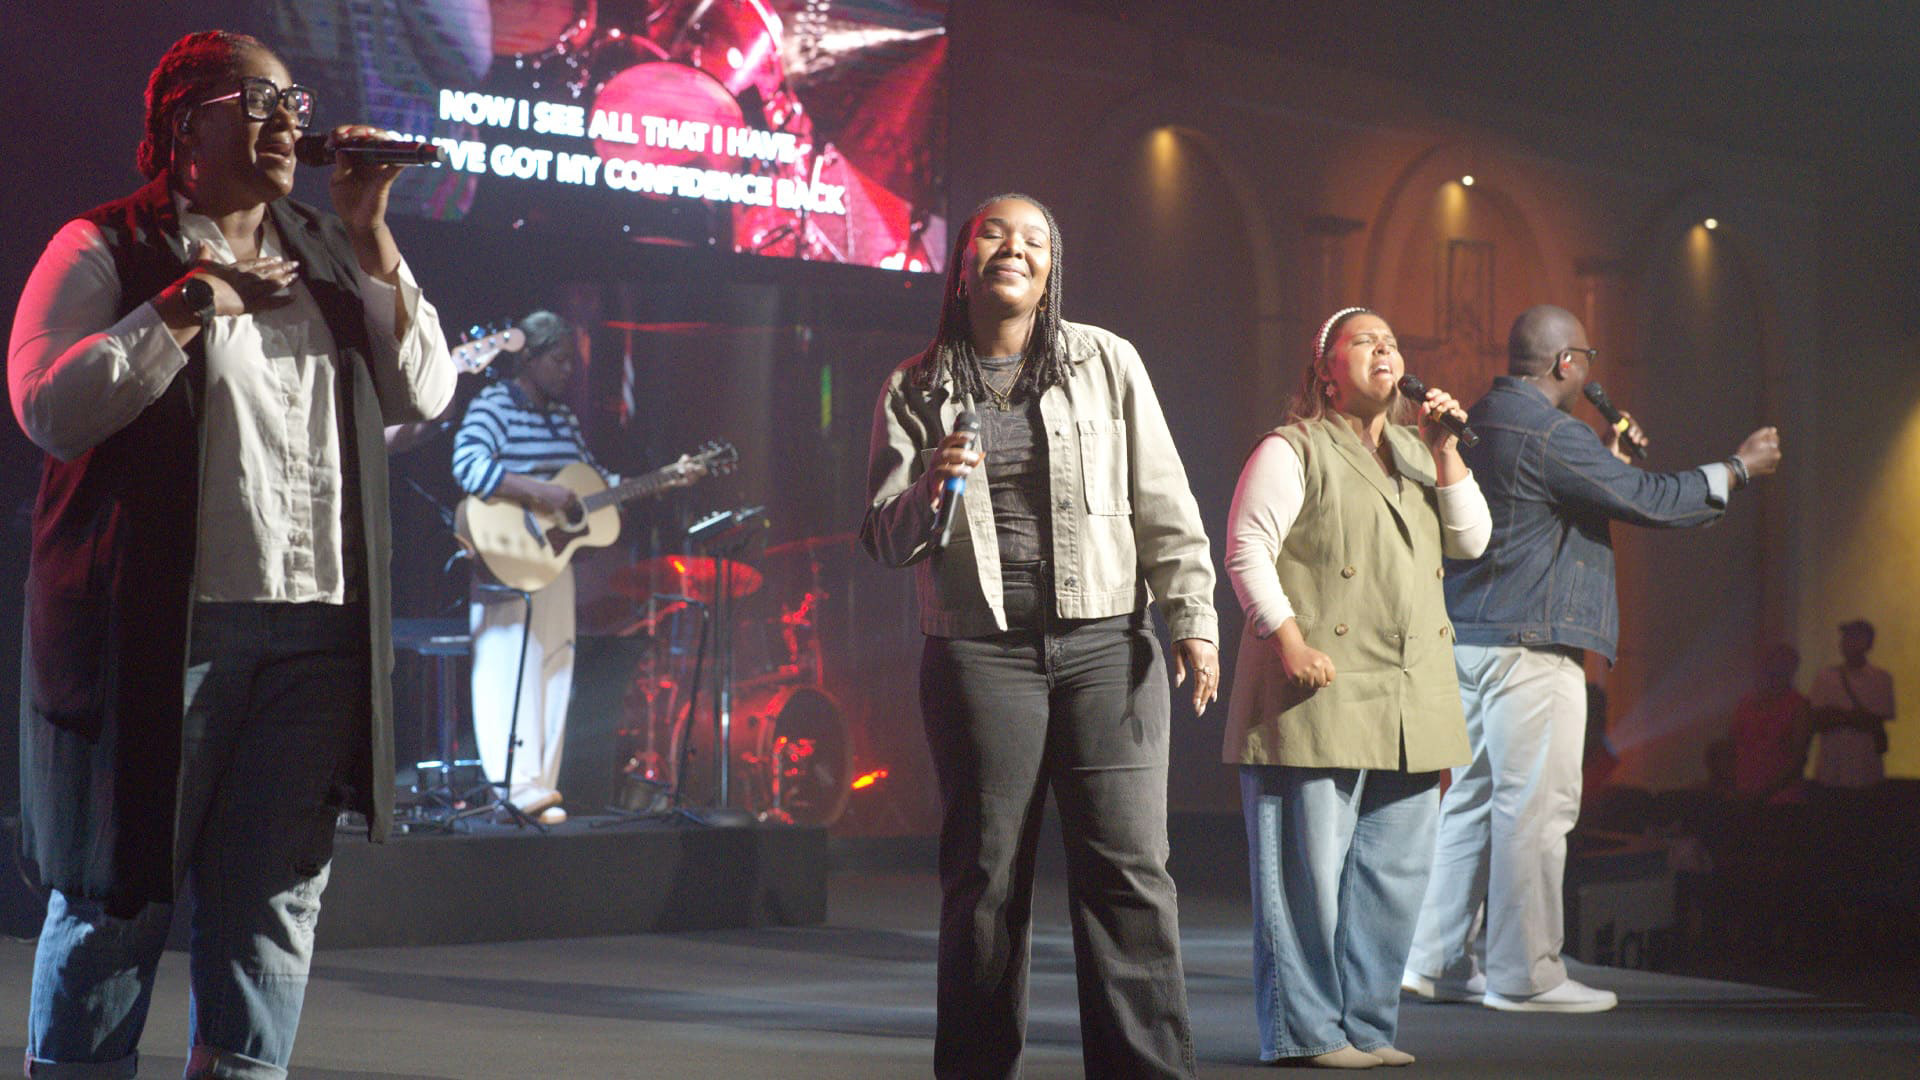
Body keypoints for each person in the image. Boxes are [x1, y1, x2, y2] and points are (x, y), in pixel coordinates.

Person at [8, 30, 455, 1077]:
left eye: (293, 101)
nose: (287, 120)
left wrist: (371, 231)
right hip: (168, 632)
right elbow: (48, 408)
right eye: (258, 100)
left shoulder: (333, 248)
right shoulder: (106, 246)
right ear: (185, 126)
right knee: (118, 896)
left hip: (316, 639)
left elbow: (425, 392)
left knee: (275, 906)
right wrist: (187, 303)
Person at [861, 193, 1218, 1078]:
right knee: (985, 882)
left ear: (1052, 270)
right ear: (962, 265)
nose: (1013, 248)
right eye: (993, 233)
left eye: (1034, 239)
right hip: (979, 652)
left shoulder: (1107, 361)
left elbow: (1164, 502)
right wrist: (931, 487)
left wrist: (1193, 621)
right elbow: (884, 537)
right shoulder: (915, 386)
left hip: (1108, 646)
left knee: (1129, 876)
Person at [1403, 303, 1781, 1013]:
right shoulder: (1552, 432)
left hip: (1471, 640)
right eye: (1587, 360)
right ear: (1565, 364)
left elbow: (1541, 514)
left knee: (1473, 802)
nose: (1588, 373)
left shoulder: (1484, 419)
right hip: (1532, 649)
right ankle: (1526, 974)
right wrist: (1737, 469)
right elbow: (1652, 500)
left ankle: (1437, 960)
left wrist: (1606, 458)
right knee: (1534, 810)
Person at [1223, 307, 1490, 1068]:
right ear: (1325, 371)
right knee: (1307, 877)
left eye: (1393, 343)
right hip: (1320, 684)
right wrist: (1287, 638)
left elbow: (1472, 540)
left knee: (1392, 877)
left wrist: (1446, 451)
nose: (1385, 351)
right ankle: (1307, 1032)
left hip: (1408, 694)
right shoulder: (1292, 448)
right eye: (1365, 341)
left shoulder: (1418, 450)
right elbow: (1247, 548)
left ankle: (1367, 1026)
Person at [452, 310, 608, 826]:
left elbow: (588, 478)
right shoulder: (495, 404)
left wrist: (655, 482)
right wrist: (540, 492)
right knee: (506, 666)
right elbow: (468, 464)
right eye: (558, 359)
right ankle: (513, 786)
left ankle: (541, 784)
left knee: (555, 665)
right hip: (506, 551)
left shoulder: (563, 417)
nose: (567, 370)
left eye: (571, 361)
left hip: (553, 560)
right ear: (530, 358)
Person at [1809, 619, 1895, 790]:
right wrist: (1855, 718)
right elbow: (1817, 719)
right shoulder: (1825, 677)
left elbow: (1875, 719)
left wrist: (1838, 715)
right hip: (1832, 769)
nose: (1847, 642)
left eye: (1854, 637)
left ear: (1868, 644)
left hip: (1865, 769)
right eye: (1846, 637)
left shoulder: (1881, 679)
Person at [1729, 643, 1814, 806]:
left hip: (1781, 800)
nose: (1776, 670)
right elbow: (1732, 746)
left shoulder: (1798, 706)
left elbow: (1798, 758)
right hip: (1745, 795)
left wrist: (1764, 792)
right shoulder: (1745, 703)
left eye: (1783, 665)